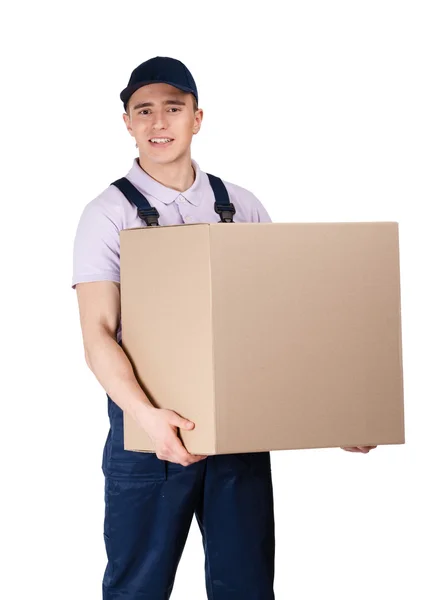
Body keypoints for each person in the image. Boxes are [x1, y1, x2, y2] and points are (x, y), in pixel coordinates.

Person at [72, 56, 377, 600]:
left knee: (247, 588)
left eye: (173, 108)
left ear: (197, 118)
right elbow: (97, 333)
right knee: (136, 590)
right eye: (144, 111)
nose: (158, 123)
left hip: (239, 435)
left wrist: (334, 416)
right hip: (148, 438)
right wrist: (147, 417)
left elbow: (278, 330)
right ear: (127, 123)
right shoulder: (108, 213)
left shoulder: (240, 205)